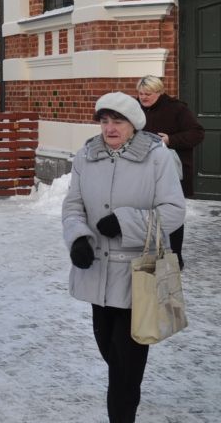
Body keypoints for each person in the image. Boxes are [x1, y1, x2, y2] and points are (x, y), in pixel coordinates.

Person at [62, 92, 185, 423]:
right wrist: (78, 239)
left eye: (118, 121)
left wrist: (126, 222)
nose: (110, 128)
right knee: (111, 355)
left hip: (137, 277)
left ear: (134, 125)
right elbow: (73, 205)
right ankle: (126, 396)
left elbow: (175, 211)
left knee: (123, 366)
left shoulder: (158, 158)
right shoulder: (85, 156)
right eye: (104, 121)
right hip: (96, 276)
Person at [136, 75, 204, 268]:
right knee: (142, 211)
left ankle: (175, 256)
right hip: (141, 169)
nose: (143, 98)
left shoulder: (177, 109)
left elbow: (197, 133)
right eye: (140, 94)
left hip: (172, 170)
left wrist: (170, 140)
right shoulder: (134, 108)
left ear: (159, 92)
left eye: (148, 94)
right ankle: (145, 252)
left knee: (171, 212)